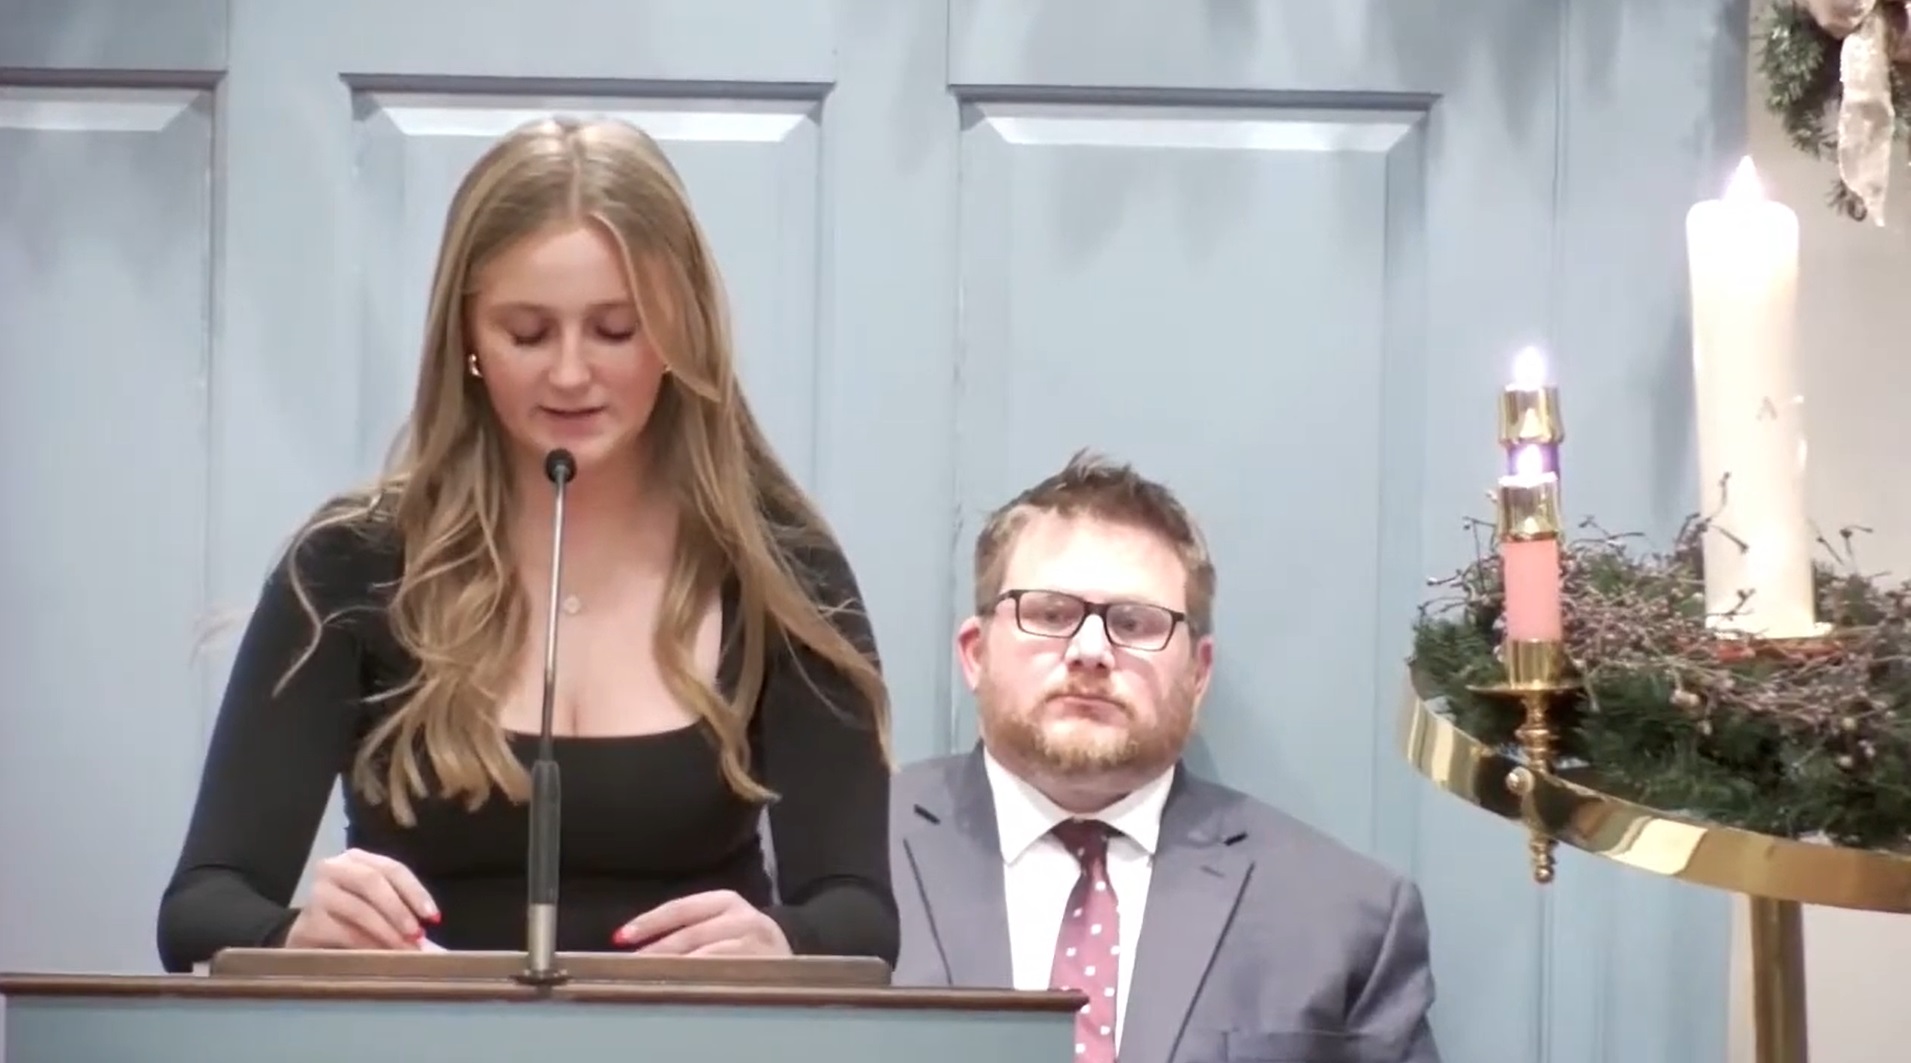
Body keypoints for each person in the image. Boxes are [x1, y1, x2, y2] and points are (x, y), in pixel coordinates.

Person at [156, 116, 896, 972]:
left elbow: (860, 914)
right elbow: (200, 907)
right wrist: (297, 933)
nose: (571, 373)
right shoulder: (348, 568)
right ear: (466, 337)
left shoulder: (783, 573)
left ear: (681, 332)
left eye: (615, 330)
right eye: (528, 333)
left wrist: (787, 940)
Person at [891, 452, 1441, 1063]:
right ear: (976, 653)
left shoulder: (1343, 919)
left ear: (1198, 674)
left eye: (1134, 623)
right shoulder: (841, 858)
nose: (1090, 650)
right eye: (1050, 614)